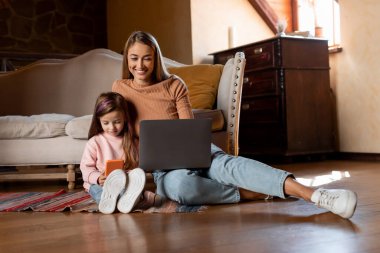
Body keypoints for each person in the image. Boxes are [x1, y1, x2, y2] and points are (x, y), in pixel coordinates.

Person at [112, 31, 358, 219]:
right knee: (179, 188)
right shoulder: (120, 89)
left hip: (196, 152)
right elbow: (118, 131)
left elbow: (188, 129)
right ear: (127, 59)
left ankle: (315, 195)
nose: (140, 66)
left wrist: (194, 154)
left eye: (147, 58)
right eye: (134, 58)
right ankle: (252, 193)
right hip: (164, 169)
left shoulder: (174, 84)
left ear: (155, 59)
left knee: (229, 167)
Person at [80, 92, 146, 214]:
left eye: (117, 122)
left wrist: (129, 176)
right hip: (99, 184)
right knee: (99, 192)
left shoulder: (133, 142)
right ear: (98, 120)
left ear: (125, 118)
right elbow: (85, 168)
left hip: (123, 183)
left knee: (126, 189)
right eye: (106, 123)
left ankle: (126, 200)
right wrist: (98, 178)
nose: (112, 127)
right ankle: (109, 202)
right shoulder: (95, 142)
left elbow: (137, 166)